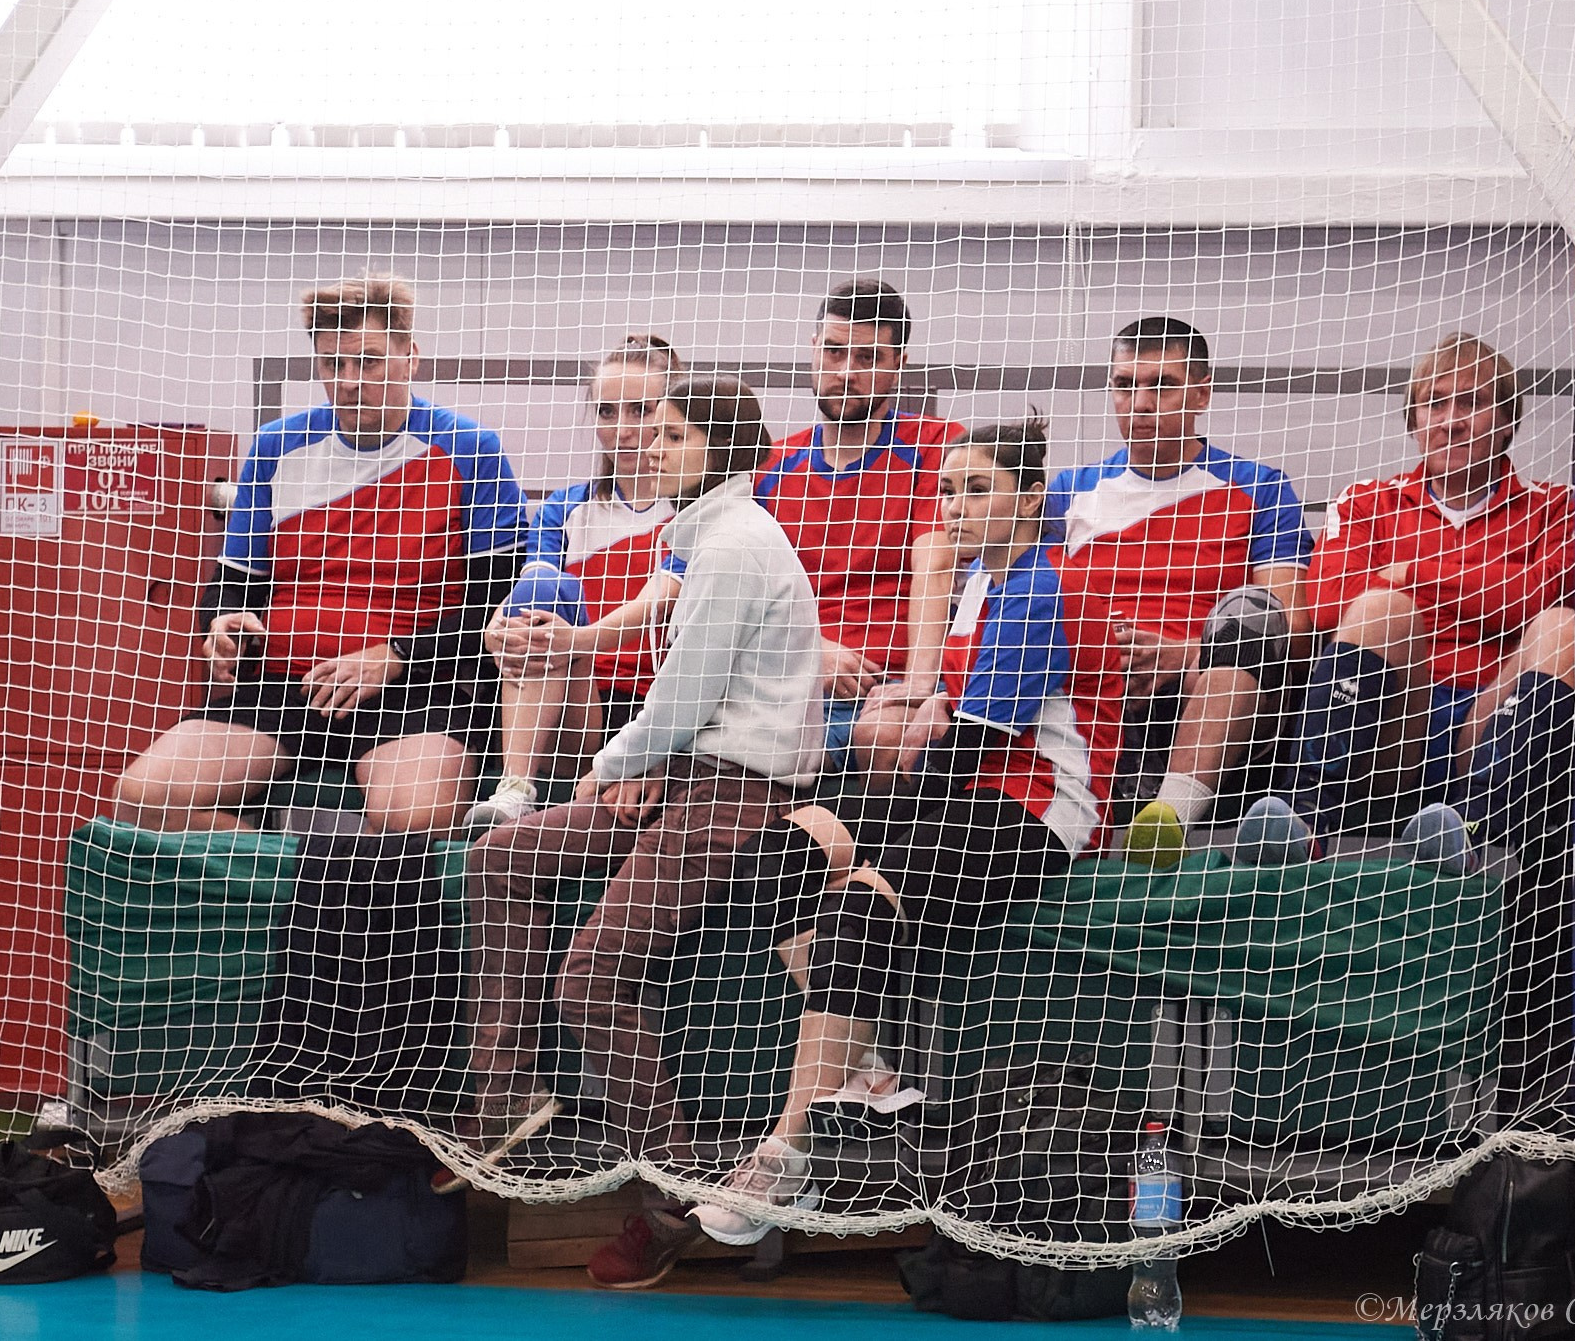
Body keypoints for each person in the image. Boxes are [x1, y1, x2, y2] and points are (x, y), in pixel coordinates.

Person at [587, 419, 1117, 1288]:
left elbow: (967, 749)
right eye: (946, 489)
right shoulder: (979, 580)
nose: (952, 505)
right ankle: (866, 1071)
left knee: (858, 905)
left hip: (1028, 806)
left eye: (975, 488)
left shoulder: (1038, 586)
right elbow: (932, 729)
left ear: (1030, 499)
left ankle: (782, 1151)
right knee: (772, 860)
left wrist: (876, 833)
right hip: (955, 781)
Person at [452, 374, 822, 1188]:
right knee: (497, 857)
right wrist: (645, 765)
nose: (649, 447)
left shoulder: (734, 546)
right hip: (685, 771)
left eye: (672, 435)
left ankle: (675, 1185)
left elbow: (680, 700)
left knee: (587, 978)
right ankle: (504, 1092)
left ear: (719, 450)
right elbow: (682, 713)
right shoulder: (700, 536)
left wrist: (604, 768)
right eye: (649, 432)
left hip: (738, 792)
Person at [111, 274, 525, 835]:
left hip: (415, 695)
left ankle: (330, 897)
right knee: (141, 797)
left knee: (416, 819)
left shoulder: (473, 450)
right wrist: (224, 622)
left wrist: (396, 655)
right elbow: (230, 584)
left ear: (411, 357)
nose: (350, 382)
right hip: (283, 691)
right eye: (333, 365)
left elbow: (497, 605)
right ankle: (299, 889)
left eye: (369, 362)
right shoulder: (277, 447)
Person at [1237, 333, 1575, 864]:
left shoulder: (1557, 506)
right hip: (1393, 720)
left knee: (1560, 627)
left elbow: (1546, 593)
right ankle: (1304, 821)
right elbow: (1329, 603)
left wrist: (1411, 572)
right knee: (1379, 608)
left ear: (1509, 421)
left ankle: (1468, 832)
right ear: (1414, 421)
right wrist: (1481, 584)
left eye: (1473, 402)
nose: (1451, 419)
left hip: (1491, 719)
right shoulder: (1367, 501)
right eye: (1435, 403)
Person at [1047, 318, 1312, 866]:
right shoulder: (1068, 491)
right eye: (1124, 385)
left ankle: (1167, 819)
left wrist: (1186, 654)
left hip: (1210, 691)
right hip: (1092, 683)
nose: (1139, 403)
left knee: (1245, 633)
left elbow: (1290, 623)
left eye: (1160, 384)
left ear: (1202, 392)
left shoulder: (1258, 487)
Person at [464, 334, 683, 832]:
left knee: (547, 618)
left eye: (641, 411)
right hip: (575, 705)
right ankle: (515, 786)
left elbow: (665, 605)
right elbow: (531, 597)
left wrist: (570, 638)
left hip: (662, 709)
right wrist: (497, 626)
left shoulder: (699, 512)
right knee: (538, 597)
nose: (623, 431)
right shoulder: (563, 511)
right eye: (607, 413)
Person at [756, 279, 963, 777]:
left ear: (899, 364)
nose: (846, 373)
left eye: (869, 357)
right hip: (786, 686)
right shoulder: (771, 465)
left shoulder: (937, 444)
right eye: (834, 351)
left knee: (889, 737)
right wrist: (811, 651)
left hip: (883, 692)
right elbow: (747, 595)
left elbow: (934, 567)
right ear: (813, 348)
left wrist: (917, 686)